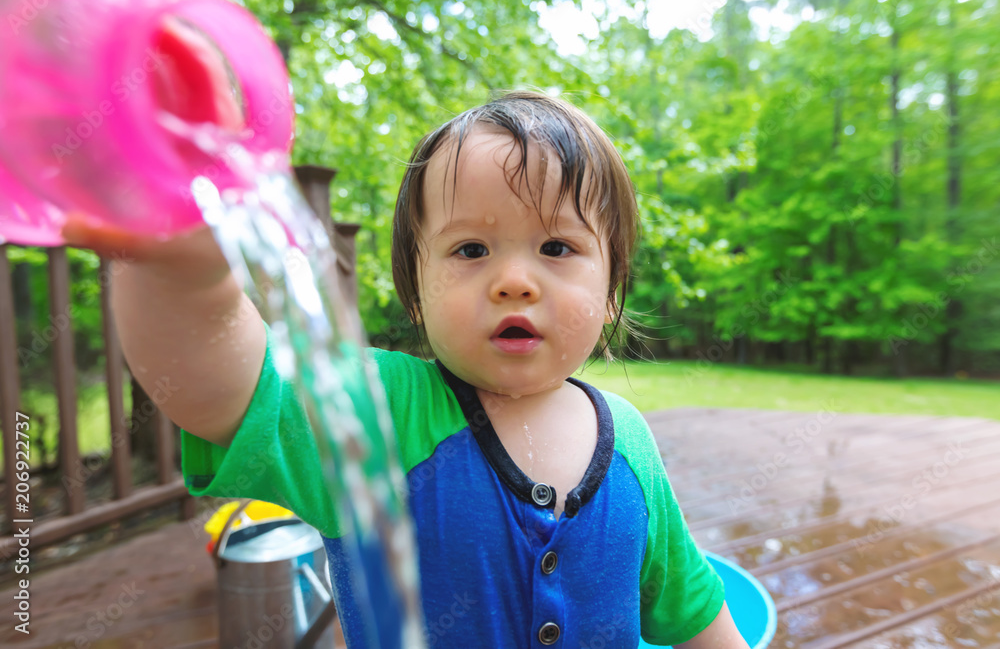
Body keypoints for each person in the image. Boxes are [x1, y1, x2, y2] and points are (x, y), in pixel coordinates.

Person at [65, 90, 748, 648]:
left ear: (609, 293)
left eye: (557, 246)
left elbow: (691, 609)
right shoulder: (377, 411)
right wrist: (182, 268)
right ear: (416, 296)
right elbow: (220, 384)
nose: (514, 279)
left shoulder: (628, 441)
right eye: (472, 248)